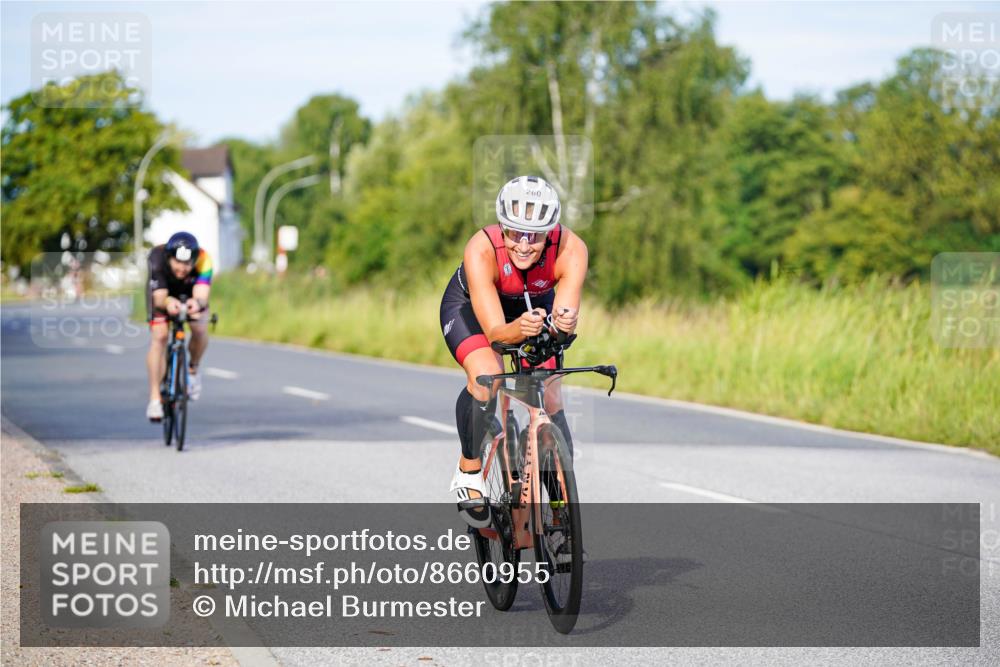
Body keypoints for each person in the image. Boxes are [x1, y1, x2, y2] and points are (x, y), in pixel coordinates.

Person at [439, 176, 588, 526]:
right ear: (502, 227)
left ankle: (560, 506)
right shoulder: (481, 248)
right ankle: (469, 470)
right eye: (514, 232)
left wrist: (561, 327)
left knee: (550, 394)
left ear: (549, 232)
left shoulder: (571, 249)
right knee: (486, 377)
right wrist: (519, 329)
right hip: (474, 310)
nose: (523, 244)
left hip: (534, 305)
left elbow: (564, 318)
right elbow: (495, 333)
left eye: (534, 235)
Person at [145, 231, 213, 421]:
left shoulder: (204, 259)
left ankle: (192, 370)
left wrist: (196, 304)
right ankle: (154, 399)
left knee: (200, 328)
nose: (182, 268)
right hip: (163, 292)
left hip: (190, 291)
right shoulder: (157, 258)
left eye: (187, 263)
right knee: (159, 336)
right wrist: (168, 304)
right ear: (169, 258)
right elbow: (159, 298)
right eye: (178, 262)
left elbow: (202, 295)